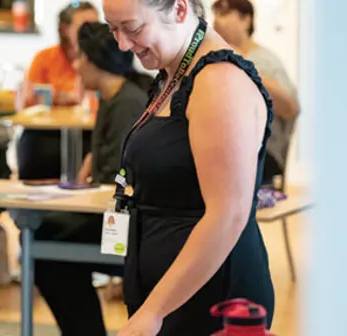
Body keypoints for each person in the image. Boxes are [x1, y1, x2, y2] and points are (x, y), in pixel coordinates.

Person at [102, 0, 275, 335]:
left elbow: (227, 215)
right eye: (113, 30)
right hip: (171, 293)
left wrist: (153, 311)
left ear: (179, 10)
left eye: (133, 28)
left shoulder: (220, 81)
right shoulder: (174, 72)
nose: (122, 44)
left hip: (210, 295)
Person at [32, 22, 149, 336]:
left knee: (42, 245)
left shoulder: (127, 104)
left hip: (125, 231)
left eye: (81, 57)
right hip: (114, 218)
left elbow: (118, 182)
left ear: (98, 60)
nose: (76, 64)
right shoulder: (114, 98)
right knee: (42, 235)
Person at [212, 0, 299, 184]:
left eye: (225, 13)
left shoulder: (266, 62)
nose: (217, 21)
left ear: (246, 19)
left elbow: (290, 108)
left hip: (262, 152)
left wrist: (241, 61)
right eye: (215, 14)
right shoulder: (217, 62)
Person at [16, 1, 99, 181]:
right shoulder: (45, 58)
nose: (93, 33)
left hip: (89, 135)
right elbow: (29, 100)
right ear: (65, 29)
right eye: (85, 27)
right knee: (34, 146)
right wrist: (65, 97)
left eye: (97, 26)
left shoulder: (104, 63)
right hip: (46, 136)